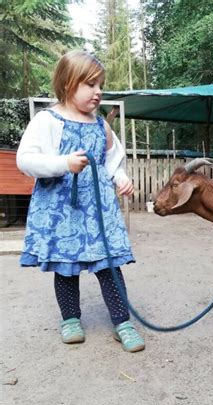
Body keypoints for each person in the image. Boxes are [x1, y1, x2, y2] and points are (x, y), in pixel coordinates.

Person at [16, 50, 145, 352]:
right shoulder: (47, 121)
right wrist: (63, 163)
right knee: (66, 265)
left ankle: (122, 322)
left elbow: (113, 159)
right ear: (67, 83)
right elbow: (26, 159)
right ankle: (70, 319)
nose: (98, 92)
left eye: (100, 85)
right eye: (90, 84)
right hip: (62, 210)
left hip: (98, 209)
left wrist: (121, 178)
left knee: (109, 264)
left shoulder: (101, 124)